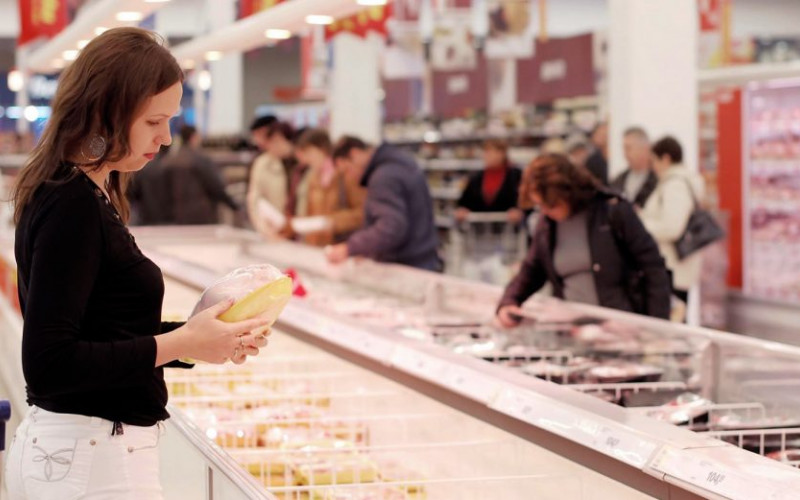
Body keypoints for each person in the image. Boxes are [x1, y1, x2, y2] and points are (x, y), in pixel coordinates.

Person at [5, 28, 269, 500]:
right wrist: (182, 341)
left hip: (80, 455)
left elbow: (104, 329)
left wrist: (202, 339)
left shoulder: (89, 190)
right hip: (93, 461)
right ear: (106, 110)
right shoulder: (73, 205)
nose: (166, 138)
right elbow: (49, 363)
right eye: (153, 121)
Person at [496, 154, 671, 328]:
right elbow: (531, 270)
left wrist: (656, 326)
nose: (545, 211)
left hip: (623, 329)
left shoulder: (613, 210)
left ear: (568, 192)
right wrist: (509, 301)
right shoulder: (547, 225)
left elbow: (653, 267)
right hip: (573, 332)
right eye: (540, 206)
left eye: (551, 205)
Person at [326, 136, 440, 271]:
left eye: (347, 170)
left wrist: (350, 247)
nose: (349, 177)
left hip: (407, 266)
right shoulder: (397, 163)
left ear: (355, 154)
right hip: (424, 259)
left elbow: (391, 228)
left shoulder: (382, 177)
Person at [639, 136, 706, 305]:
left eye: (654, 160)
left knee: (673, 320)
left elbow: (671, 227)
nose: (652, 167)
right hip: (674, 266)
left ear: (666, 158)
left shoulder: (675, 185)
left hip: (673, 267)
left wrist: (640, 223)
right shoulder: (675, 182)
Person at [290, 129, 366, 246]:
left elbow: (362, 212)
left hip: (342, 248)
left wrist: (333, 222)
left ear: (322, 149)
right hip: (317, 250)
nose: (306, 158)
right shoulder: (313, 177)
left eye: (309, 152)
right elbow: (310, 214)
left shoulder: (346, 174)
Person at [162, 125, 240, 224]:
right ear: (194, 137)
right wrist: (233, 205)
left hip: (176, 216)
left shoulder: (169, 160)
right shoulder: (199, 159)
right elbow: (215, 186)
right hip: (201, 216)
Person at [455, 138, 523, 224]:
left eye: (489, 152)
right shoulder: (476, 177)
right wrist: (462, 210)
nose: (485, 156)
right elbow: (465, 201)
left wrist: (518, 211)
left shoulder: (516, 175)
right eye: (485, 152)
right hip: (479, 230)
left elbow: (524, 200)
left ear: (502, 154)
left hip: (508, 231)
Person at [247, 116, 290, 237]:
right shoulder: (262, 163)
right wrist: (265, 230)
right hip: (273, 230)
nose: (258, 141)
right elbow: (255, 200)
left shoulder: (299, 165)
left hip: (295, 230)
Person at [611, 126, 658, 208]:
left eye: (628, 148)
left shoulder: (658, 180)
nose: (625, 154)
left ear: (645, 148)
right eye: (624, 149)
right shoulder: (618, 180)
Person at [128, 145, 171, 225]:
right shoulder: (170, 165)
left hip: (147, 216)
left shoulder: (143, 166)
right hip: (169, 218)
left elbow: (134, 192)